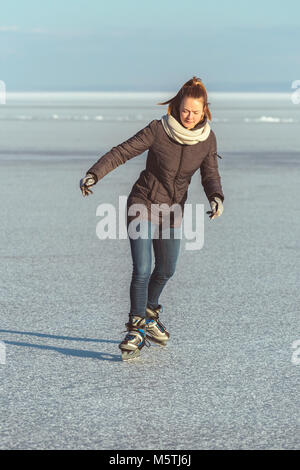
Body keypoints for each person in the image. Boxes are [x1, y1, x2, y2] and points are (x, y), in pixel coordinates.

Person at [80, 76, 224, 361]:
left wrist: (216, 196)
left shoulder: (207, 139)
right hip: (143, 203)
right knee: (143, 268)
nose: (189, 117)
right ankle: (136, 328)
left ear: (204, 110)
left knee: (167, 269)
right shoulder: (159, 130)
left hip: (172, 212)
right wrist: (94, 173)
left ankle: (150, 311)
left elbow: (210, 174)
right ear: (177, 106)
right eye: (185, 110)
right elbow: (123, 151)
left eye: (195, 112)